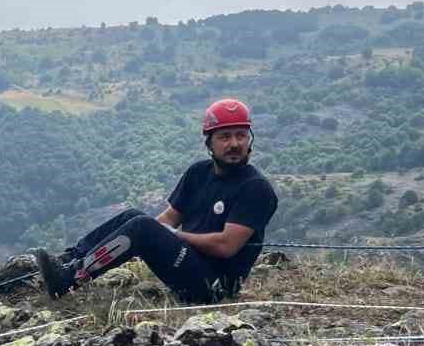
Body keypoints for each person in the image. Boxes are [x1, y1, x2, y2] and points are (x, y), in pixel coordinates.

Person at [33, 98, 279, 303]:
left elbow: (226, 246)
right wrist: (151, 233)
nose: (235, 144)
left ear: (250, 140)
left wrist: (171, 235)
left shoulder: (255, 188)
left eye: (241, 135)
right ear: (210, 143)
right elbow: (169, 218)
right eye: (225, 137)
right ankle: (67, 260)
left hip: (214, 287)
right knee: (134, 216)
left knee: (142, 227)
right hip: (187, 261)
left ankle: (68, 280)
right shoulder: (198, 173)